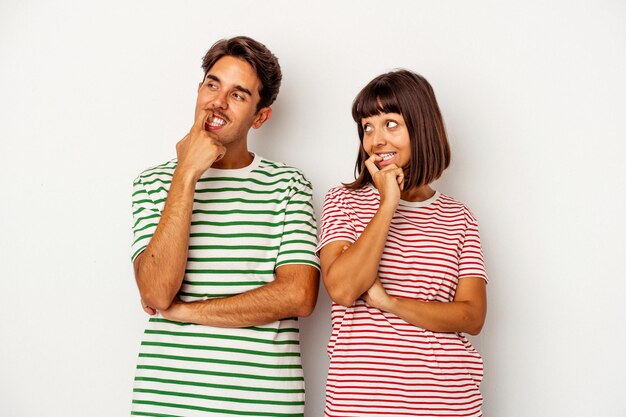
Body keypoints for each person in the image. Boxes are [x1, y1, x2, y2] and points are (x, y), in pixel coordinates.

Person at [130, 36, 320, 417]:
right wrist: (185, 174)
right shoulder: (152, 183)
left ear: (260, 116)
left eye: (238, 95)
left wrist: (187, 312)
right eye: (213, 85)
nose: (217, 101)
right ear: (199, 90)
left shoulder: (287, 184)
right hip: (167, 402)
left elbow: (298, 295)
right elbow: (156, 289)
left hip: (264, 406)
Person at [317, 69, 488, 416]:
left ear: (421, 127)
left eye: (391, 123)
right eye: (367, 127)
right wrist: (388, 203)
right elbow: (343, 288)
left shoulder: (459, 217)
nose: (377, 139)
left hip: (448, 401)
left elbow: (471, 316)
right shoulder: (343, 201)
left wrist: (388, 302)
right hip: (361, 403)